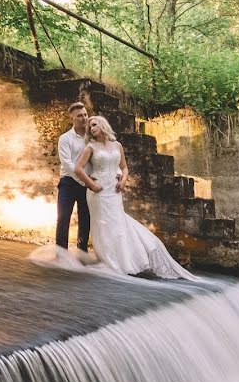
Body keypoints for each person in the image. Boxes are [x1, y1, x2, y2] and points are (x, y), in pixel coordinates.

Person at [74, 116, 198, 281]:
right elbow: (78, 169)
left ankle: (128, 261)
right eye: (90, 127)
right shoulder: (90, 147)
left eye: (94, 124)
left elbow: (124, 168)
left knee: (118, 225)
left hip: (115, 190)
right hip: (98, 192)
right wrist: (91, 185)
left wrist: (124, 181)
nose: (91, 128)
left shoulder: (117, 145)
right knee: (103, 226)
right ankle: (111, 263)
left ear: (103, 125)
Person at [56, 102, 91, 251]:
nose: (84, 118)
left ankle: (82, 252)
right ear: (72, 118)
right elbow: (68, 165)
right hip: (68, 183)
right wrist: (84, 181)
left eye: (85, 115)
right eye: (79, 116)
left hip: (87, 182)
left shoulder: (93, 136)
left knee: (85, 218)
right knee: (63, 217)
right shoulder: (65, 139)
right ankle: (61, 253)